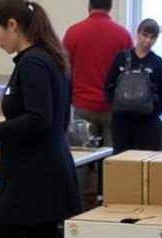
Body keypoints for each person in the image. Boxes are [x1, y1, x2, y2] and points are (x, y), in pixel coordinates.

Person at [0, 0, 81, 238]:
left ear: (12, 25)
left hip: (32, 178)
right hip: (42, 171)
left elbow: (38, 118)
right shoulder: (48, 58)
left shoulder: (33, 63)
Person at [62, 0, 133, 147]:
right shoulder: (123, 35)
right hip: (112, 106)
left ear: (89, 7)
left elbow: (63, 69)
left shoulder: (73, 32)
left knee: (83, 159)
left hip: (82, 105)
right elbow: (129, 73)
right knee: (112, 161)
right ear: (110, 7)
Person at [104, 19, 162, 153]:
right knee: (122, 161)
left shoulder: (157, 62)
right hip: (122, 121)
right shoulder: (121, 57)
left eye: (152, 38)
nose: (147, 41)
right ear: (138, 33)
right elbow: (109, 85)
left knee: (146, 161)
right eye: (145, 35)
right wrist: (116, 104)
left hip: (148, 122)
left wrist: (154, 112)